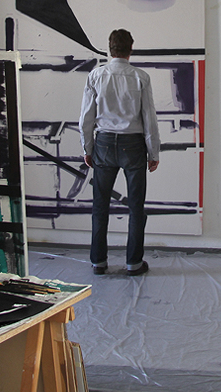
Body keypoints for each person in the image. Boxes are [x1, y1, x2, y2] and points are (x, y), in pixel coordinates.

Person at [79, 29, 160, 276]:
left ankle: (98, 262)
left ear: (110, 49)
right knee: (136, 206)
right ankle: (133, 263)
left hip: (103, 144)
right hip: (133, 145)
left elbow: (86, 118)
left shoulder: (96, 75)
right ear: (130, 49)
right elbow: (149, 117)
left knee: (99, 206)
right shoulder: (141, 77)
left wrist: (88, 148)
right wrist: (153, 153)